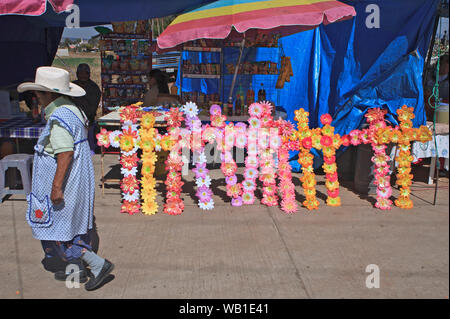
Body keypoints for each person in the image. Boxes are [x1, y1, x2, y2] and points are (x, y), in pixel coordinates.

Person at [17, 66, 114, 291]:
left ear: (49, 94)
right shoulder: (71, 109)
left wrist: (56, 186)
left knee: (58, 228)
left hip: (66, 181)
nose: (36, 98)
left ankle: (97, 265)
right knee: (69, 225)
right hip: (77, 178)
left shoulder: (59, 117)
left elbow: (65, 153)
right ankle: (76, 269)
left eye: (39, 94)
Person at [73, 63, 102, 154]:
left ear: (89, 74)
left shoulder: (94, 88)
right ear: (77, 74)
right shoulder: (73, 86)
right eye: (80, 73)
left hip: (88, 121)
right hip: (73, 119)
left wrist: (85, 119)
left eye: (85, 73)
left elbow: (92, 108)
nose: (83, 75)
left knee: (88, 146)